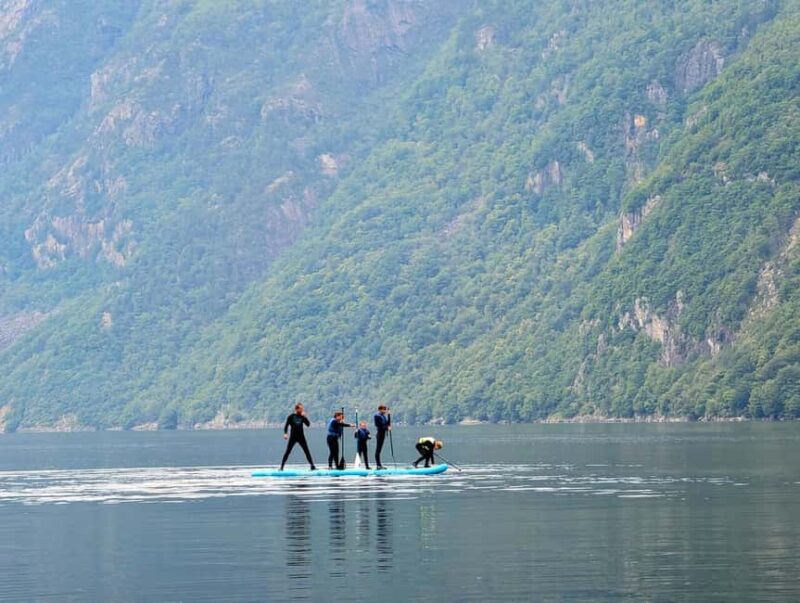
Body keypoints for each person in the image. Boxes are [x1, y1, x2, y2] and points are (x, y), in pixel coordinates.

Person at [280, 403, 316, 471]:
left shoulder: (302, 416)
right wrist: (285, 433)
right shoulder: (291, 416)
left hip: (301, 437)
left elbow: (308, 424)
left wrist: (305, 417)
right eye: (301, 409)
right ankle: (281, 467)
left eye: (302, 409)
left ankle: (312, 466)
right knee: (288, 451)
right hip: (293, 437)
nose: (302, 410)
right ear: (296, 409)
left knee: (307, 451)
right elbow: (286, 425)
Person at [373, 404, 391, 469]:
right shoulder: (377, 416)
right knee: (378, 450)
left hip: (383, 434)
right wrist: (387, 428)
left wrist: (389, 415)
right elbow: (380, 425)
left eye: (385, 409)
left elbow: (388, 423)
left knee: (379, 450)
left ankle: (379, 465)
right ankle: (378, 465)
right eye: (384, 409)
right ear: (380, 409)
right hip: (380, 434)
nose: (385, 411)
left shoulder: (383, 416)